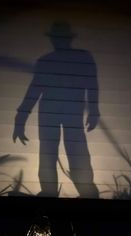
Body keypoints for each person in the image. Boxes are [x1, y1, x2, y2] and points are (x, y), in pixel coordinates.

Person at [13, 22, 100, 198]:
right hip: (53, 113)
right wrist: (20, 119)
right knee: (51, 152)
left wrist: (94, 110)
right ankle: (52, 193)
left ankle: (86, 193)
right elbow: (34, 90)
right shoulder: (51, 61)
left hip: (64, 112)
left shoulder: (78, 58)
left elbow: (92, 85)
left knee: (70, 150)